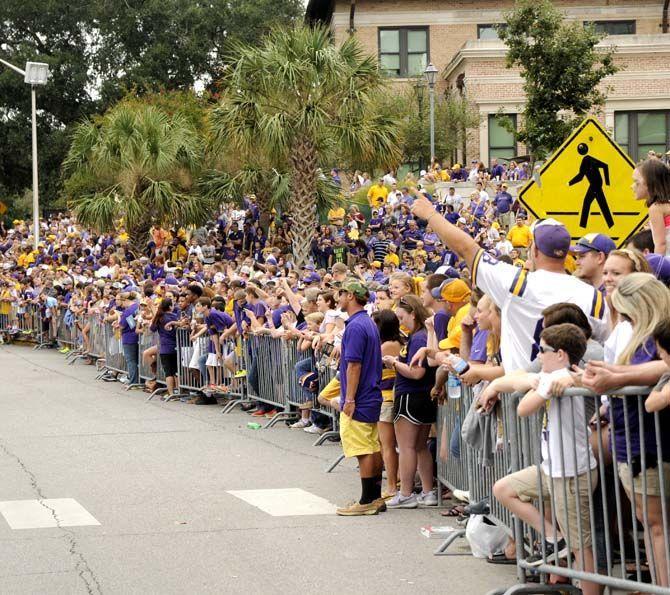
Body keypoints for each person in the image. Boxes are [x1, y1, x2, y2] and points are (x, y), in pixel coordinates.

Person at [411, 195, 608, 373]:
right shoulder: (594, 296)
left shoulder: (517, 283)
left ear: (535, 250)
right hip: (576, 398)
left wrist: (431, 214)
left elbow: (466, 248)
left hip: (524, 393)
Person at [489, 324, 600, 595]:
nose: (539, 356)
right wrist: (533, 382)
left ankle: (590, 589)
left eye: (543, 350)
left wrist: (540, 386)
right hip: (553, 468)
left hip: (572, 471)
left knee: (581, 546)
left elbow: (524, 408)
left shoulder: (559, 375)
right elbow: (519, 384)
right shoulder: (558, 374)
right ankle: (553, 537)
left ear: (561, 354)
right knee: (504, 489)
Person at [335, 280, 385, 516]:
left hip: (361, 395)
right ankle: (375, 497)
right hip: (370, 393)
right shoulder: (366, 322)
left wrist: (350, 399)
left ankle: (366, 501)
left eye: (342, 293)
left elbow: (353, 366)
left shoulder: (356, 326)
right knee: (372, 445)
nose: (339, 297)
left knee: (363, 448)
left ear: (351, 296)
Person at [384, 295, 437, 508]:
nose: (400, 321)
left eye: (402, 316)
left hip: (411, 395)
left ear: (413, 314)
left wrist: (394, 363)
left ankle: (406, 493)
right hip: (422, 396)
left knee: (406, 447)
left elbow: (416, 372)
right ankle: (427, 491)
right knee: (419, 446)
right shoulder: (420, 336)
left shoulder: (417, 338)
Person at [372, 309, 402, 499]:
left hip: (387, 396)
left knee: (388, 445)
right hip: (387, 396)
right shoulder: (394, 342)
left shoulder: (388, 346)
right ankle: (395, 481)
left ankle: (392, 486)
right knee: (388, 444)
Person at [632, 158, 670, 255]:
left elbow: (660, 244)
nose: (632, 186)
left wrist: (656, 268)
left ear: (650, 184)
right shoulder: (665, 204)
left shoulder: (655, 208)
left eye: (636, 182)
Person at [150, 298, 181, 397]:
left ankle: (171, 392)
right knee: (175, 371)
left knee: (168, 372)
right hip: (173, 346)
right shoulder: (173, 317)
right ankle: (178, 391)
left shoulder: (160, 317)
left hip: (164, 347)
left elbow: (152, 328)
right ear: (170, 307)